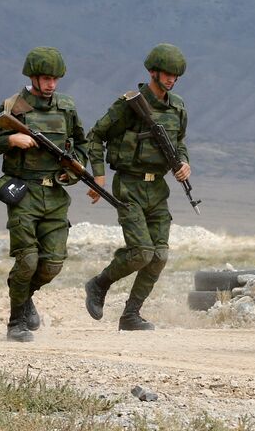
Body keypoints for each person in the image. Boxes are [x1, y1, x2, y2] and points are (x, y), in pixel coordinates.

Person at [0, 47, 87, 342]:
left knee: (52, 264)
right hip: (24, 193)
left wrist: (73, 172)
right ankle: (15, 322)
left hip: (56, 195)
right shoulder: (13, 106)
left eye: (55, 79)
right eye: (45, 78)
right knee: (27, 261)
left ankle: (24, 296)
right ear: (33, 77)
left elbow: (83, 147)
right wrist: (10, 139)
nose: (51, 84)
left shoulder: (67, 107)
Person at [83, 44, 192, 331]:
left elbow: (179, 143)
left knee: (159, 256)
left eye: (175, 76)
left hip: (157, 188)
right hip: (129, 184)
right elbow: (95, 136)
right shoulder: (129, 104)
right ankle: (99, 284)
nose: (170, 80)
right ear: (152, 72)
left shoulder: (177, 106)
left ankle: (131, 315)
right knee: (141, 252)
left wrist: (183, 163)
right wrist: (98, 176)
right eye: (166, 74)